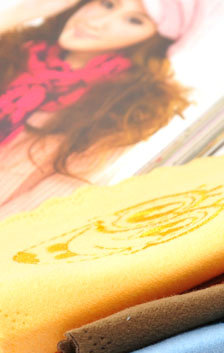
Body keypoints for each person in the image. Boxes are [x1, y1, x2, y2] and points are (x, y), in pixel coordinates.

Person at [0, 0, 203, 219]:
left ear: (155, 39)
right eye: (107, 4)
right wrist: (20, 13)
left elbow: (46, 205)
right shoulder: (13, 49)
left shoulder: (125, 111)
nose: (97, 23)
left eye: (134, 21)